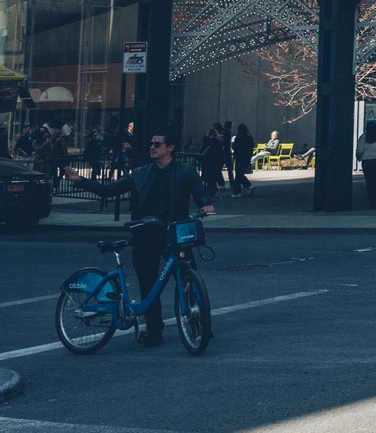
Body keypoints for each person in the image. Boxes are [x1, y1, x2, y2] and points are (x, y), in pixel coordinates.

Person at [62, 128, 213, 347]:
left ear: (170, 147)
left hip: (176, 233)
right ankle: (154, 331)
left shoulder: (185, 172)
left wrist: (205, 204)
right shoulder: (139, 173)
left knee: (189, 280)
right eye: (151, 144)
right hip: (146, 233)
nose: (152, 147)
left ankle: (200, 326)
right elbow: (110, 190)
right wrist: (80, 180)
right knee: (148, 284)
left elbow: (199, 192)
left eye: (157, 144)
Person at [355, 122, 376, 209]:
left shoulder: (363, 138)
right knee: (373, 179)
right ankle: (375, 199)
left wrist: (358, 156)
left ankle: (372, 200)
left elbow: (360, 150)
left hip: (366, 161)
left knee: (369, 181)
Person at [199, 125, 227, 199]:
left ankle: (209, 192)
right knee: (213, 179)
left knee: (208, 178)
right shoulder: (219, 142)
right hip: (216, 163)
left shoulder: (207, 142)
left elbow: (201, 151)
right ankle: (211, 191)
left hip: (207, 162)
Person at [231, 123, 255, 196]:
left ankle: (238, 191)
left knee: (238, 174)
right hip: (246, 158)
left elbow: (235, 146)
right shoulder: (249, 138)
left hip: (239, 157)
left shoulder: (239, 137)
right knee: (240, 174)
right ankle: (248, 186)